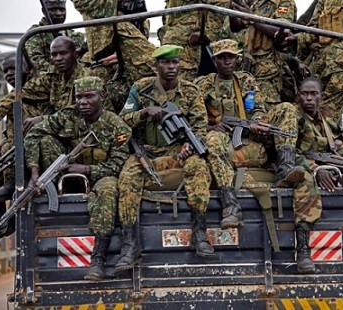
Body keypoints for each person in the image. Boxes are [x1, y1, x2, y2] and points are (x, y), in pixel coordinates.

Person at [24, 76, 131, 280]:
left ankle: (98, 258)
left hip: (101, 175)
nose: (82, 102)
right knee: (46, 140)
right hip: (66, 175)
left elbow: (119, 165)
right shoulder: (68, 116)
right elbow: (33, 135)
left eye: (89, 96)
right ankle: (51, 189)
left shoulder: (118, 127)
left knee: (109, 189)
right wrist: (35, 172)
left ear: (102, 96)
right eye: (79, 97)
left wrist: (88, 170)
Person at [195, 39, 304, 229]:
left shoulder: (246, 80)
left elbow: (258, 108)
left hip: (248, 133)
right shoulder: (204, 85)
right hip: (221, 136)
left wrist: (257, 122)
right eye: (222, 58)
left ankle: (284, 169)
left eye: (230, 57)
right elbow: (193, 116)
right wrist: (210, 128)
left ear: (237, 59)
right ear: (215, 60)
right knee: (212, 140)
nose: (227, 62)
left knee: (286, 109)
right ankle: (231, 206)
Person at [118, 45, 214, 259]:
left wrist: (190, 144)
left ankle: (200, 233)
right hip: (147, 152)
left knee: (199, 168)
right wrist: (143, 113)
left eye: (174, 62)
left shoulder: (190, 91)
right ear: (156, 65)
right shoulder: (141, 88)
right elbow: (121, 121)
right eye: (165, 63)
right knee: (127, 178)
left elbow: (200, 125)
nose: (171, 67)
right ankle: (130, 243)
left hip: (177, 151)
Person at [292, 76, 343, 272]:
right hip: (304, 166)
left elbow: (340, 138)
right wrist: (316, 170)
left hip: (327, 161)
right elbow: (286, 153)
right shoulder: (293, 118)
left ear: (321, 97)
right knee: (305, 180)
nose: (309, 98)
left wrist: (338, 145)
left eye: (313, 94)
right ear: (298, 96)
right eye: (305, 94)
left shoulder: (327, 120)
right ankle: (302, 251)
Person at [0, 54, 51, 246]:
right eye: (5, 71)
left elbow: (15, 97)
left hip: (42, 147)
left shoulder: (39, 85)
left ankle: (9, 189)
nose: (9, 74)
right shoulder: (17, 98)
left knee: (10, 146)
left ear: (27, 69)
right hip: (19, 148)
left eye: (13, 69)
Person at [230, 0, 307, 105]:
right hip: (247, 66)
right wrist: (232, 8)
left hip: (268, 72)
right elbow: (235, 27)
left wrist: (252, 18)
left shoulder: (285, 2)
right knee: (244, 107)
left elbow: (281, 29)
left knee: (265, 110)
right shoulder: (257, 2)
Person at [161, 0, 230, 81]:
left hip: (188, 39)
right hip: (172, 35)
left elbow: (221, 3)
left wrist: (206, 33)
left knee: (184, 81)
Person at [26, 0, 85, 72]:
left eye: (62, 9)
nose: (59, 13)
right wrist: (58, 69)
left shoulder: (71, 33)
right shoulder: (36, 32)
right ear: (44, 11)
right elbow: (35, 61)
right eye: (53, 10)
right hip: (48, 77)